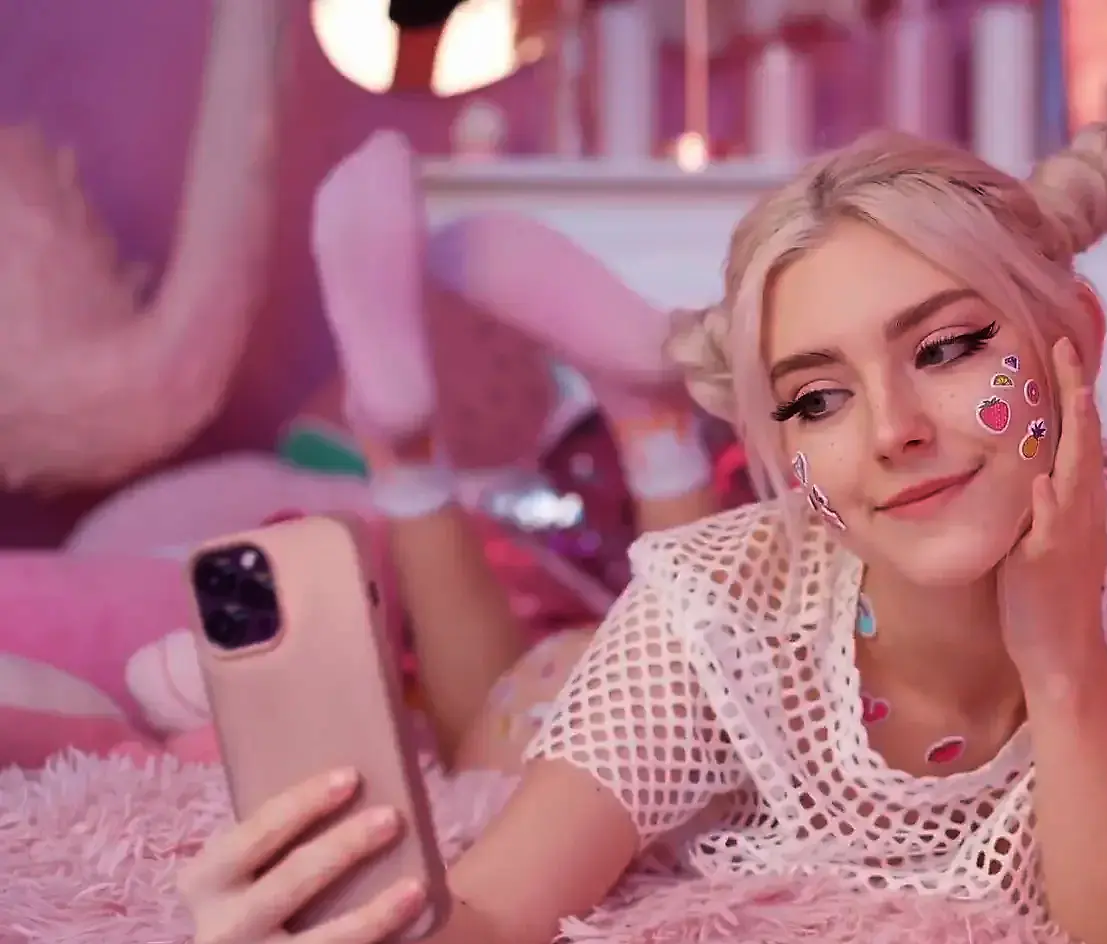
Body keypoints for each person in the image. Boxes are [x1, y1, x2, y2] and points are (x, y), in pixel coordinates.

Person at [173, 125, 1107, 944]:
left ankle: (648, 423)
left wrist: (1061, 657)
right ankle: (410, 456)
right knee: (489, 723)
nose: (894, 430)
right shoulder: (712, 605)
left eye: (946, 348)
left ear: (1075, 341)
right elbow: (491, 918)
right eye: (816, 399)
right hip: (574, 684)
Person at [124, 130, 724, 771]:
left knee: (493, 744)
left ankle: (410, 462)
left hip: (541, 699)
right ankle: (656, 434)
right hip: (632, 678)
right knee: (709, 710)